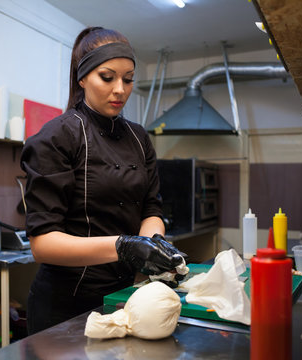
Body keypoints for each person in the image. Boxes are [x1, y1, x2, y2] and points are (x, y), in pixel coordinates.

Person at [20, 26, 186, 335]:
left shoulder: (138, 137)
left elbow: (151, 208)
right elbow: (43, 244)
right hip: (64, 305)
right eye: (107, 78)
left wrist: (154, 245)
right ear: (82, 78)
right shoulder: (57, 137)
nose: (120, 89)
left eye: (128, 78)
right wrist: (124, 247)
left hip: (123, 298)